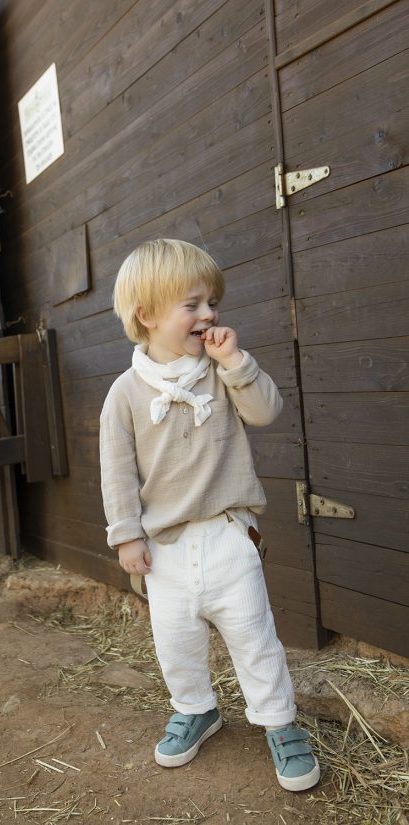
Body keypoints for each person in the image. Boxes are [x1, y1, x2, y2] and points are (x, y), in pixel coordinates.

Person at [99, 238, 320, 791]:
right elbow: (117, 473)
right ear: (146, 315)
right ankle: (196, 708)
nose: (209, 315)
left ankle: (279, 721)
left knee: (254, 635)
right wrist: (127, 536)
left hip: (227, 535)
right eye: (192, 304)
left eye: (212, 303)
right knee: (175, 640)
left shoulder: (223, 370)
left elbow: (267, 411)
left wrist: (236, 362)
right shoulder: (124, 395)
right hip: (165, 546)